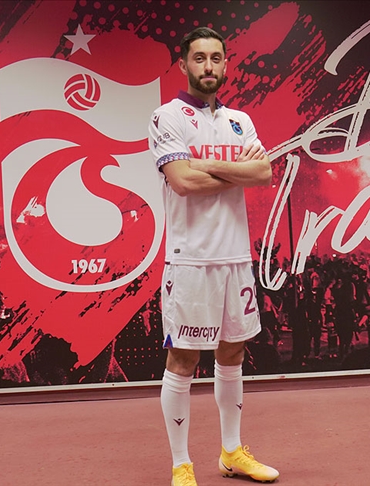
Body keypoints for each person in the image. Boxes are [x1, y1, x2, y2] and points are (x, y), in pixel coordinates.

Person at [148, 27, 278, 485]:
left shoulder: (240, 120)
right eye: (199, 58)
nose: (208, 66)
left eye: (216, 58)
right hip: (190, 260)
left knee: (233, 353)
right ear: (184, 64)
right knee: (184, 360)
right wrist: (237, 170)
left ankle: (231, 453)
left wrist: (204, 164)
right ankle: (181, 464)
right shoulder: (167, 117)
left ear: (225, 65)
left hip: (235, 258)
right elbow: (183, 182)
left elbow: (263, 173)